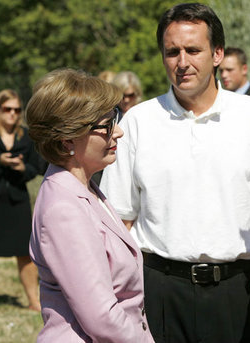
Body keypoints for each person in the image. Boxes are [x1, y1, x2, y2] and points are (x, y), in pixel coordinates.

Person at [99, 3, 250, 343]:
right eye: (172, 52)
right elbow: (118, 223)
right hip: (159, 291)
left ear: (217, 53)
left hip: (239, 291)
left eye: (193, 50)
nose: (182, 62)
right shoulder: (137, 122)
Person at [26, 68, 154, 342]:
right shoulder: (64, 209)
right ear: (68, 138)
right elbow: (102, 319)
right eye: (106, 126)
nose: (117, 132)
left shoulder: (83, 189)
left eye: (115, 119)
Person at [0, 89, 41, 311]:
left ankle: (34, 301)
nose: (12, 114)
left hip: (17, 200)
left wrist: (24, 168)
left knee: (25, 252)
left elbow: (37, 166)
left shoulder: (26, 136)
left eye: (16, 110)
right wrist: (0, 161)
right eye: (7, 109)